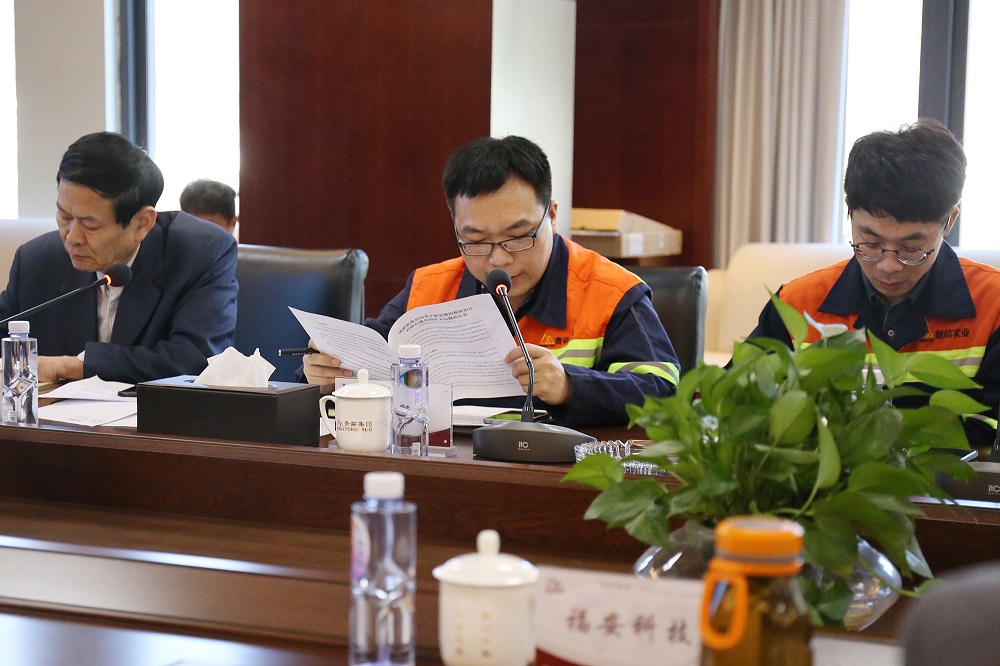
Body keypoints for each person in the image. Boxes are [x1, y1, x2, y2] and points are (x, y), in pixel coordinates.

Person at [304, 135, 679, 427]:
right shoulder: (427, 288)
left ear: (551, 215)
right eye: (477, 241)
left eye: (518, 236)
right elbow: (366, 358)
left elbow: (664, 394)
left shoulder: (611, 292)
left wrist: (570, 386)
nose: (499, 259)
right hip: (444, 469)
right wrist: (323, 373)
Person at [748, 119, 1000, 445]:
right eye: (870, 243)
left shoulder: (993, 305)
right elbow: (738, 406)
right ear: (849, 211)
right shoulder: (798, 303)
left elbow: (987, 436)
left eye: (912, 248)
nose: (888, 266)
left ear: (949, 221)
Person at [0, 131, 239, 384]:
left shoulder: (201, 254)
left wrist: (72, 367)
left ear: (142, 223)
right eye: (64, 216)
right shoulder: (36, 262)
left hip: (154, 410)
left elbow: (195, 359)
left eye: (90, 224)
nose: (72, 237)